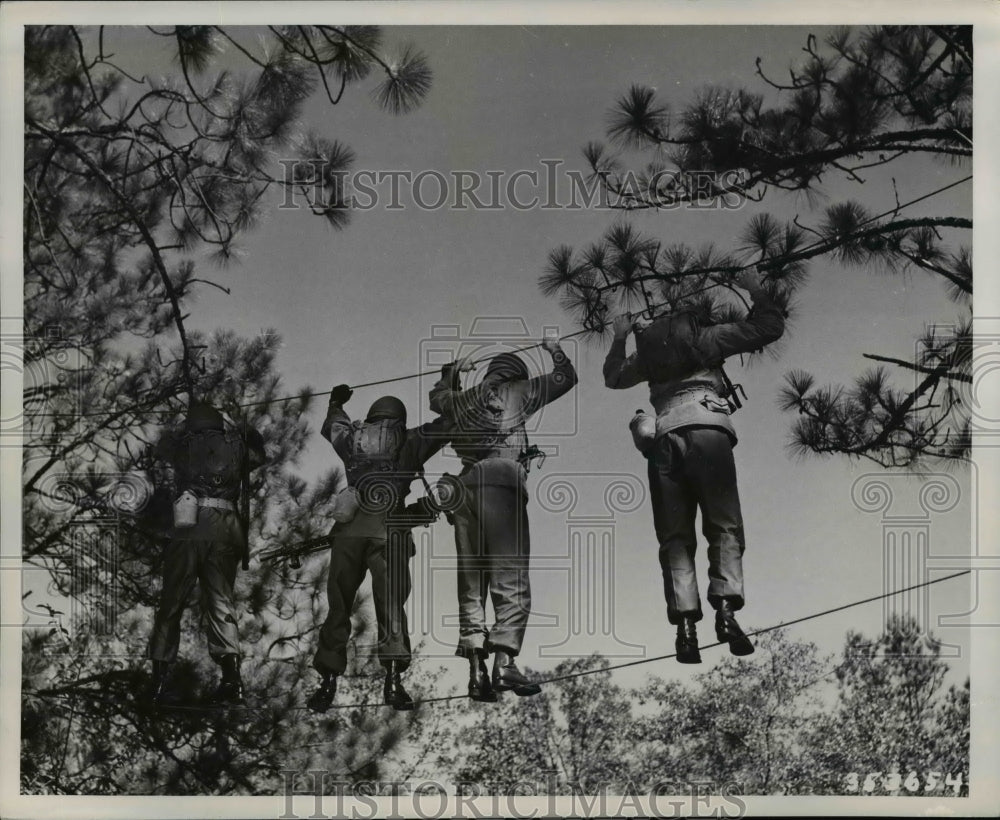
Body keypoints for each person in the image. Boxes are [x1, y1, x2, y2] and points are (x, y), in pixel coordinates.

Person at [603, 266, 785, 663]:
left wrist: (619, 338)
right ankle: (725, 612)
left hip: (664, 438)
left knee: (675, 536)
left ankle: (686, 628)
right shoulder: (708, 338)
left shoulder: (647, 356)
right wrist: (755, 287)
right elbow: (769, 327)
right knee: (723, 525)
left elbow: (613, 377)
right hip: (708, 430)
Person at [429, 337, 578, 701]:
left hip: (462, 488)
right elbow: (565, 378)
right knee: (510, 577)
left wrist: (451, 373)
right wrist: (553, 348)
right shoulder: (521, 390)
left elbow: (437, 398)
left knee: (471, 582)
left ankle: (476, 671)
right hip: (501, 480)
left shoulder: (462, 399)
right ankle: (504, 663)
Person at [308, 386, 450, 713]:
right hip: (389, 530)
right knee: (391, 607)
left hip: (348, 531)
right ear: (398, 420)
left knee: (339, 606)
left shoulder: (352, 440)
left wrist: (336, 403)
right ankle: (393, 682)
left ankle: (327, 683)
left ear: (371, 418)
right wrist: (448, 385)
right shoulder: (410, 439)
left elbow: (334, 425)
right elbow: (448, 423)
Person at [148, 402, 266, 705]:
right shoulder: (236, 445)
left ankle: (158, 681)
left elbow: (160, 448)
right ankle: (232, 680)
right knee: (220, 601)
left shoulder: (183, 445)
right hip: (226, 528)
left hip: (191, 525)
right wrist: (239, 424)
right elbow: (257, 454)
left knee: (172, 600)